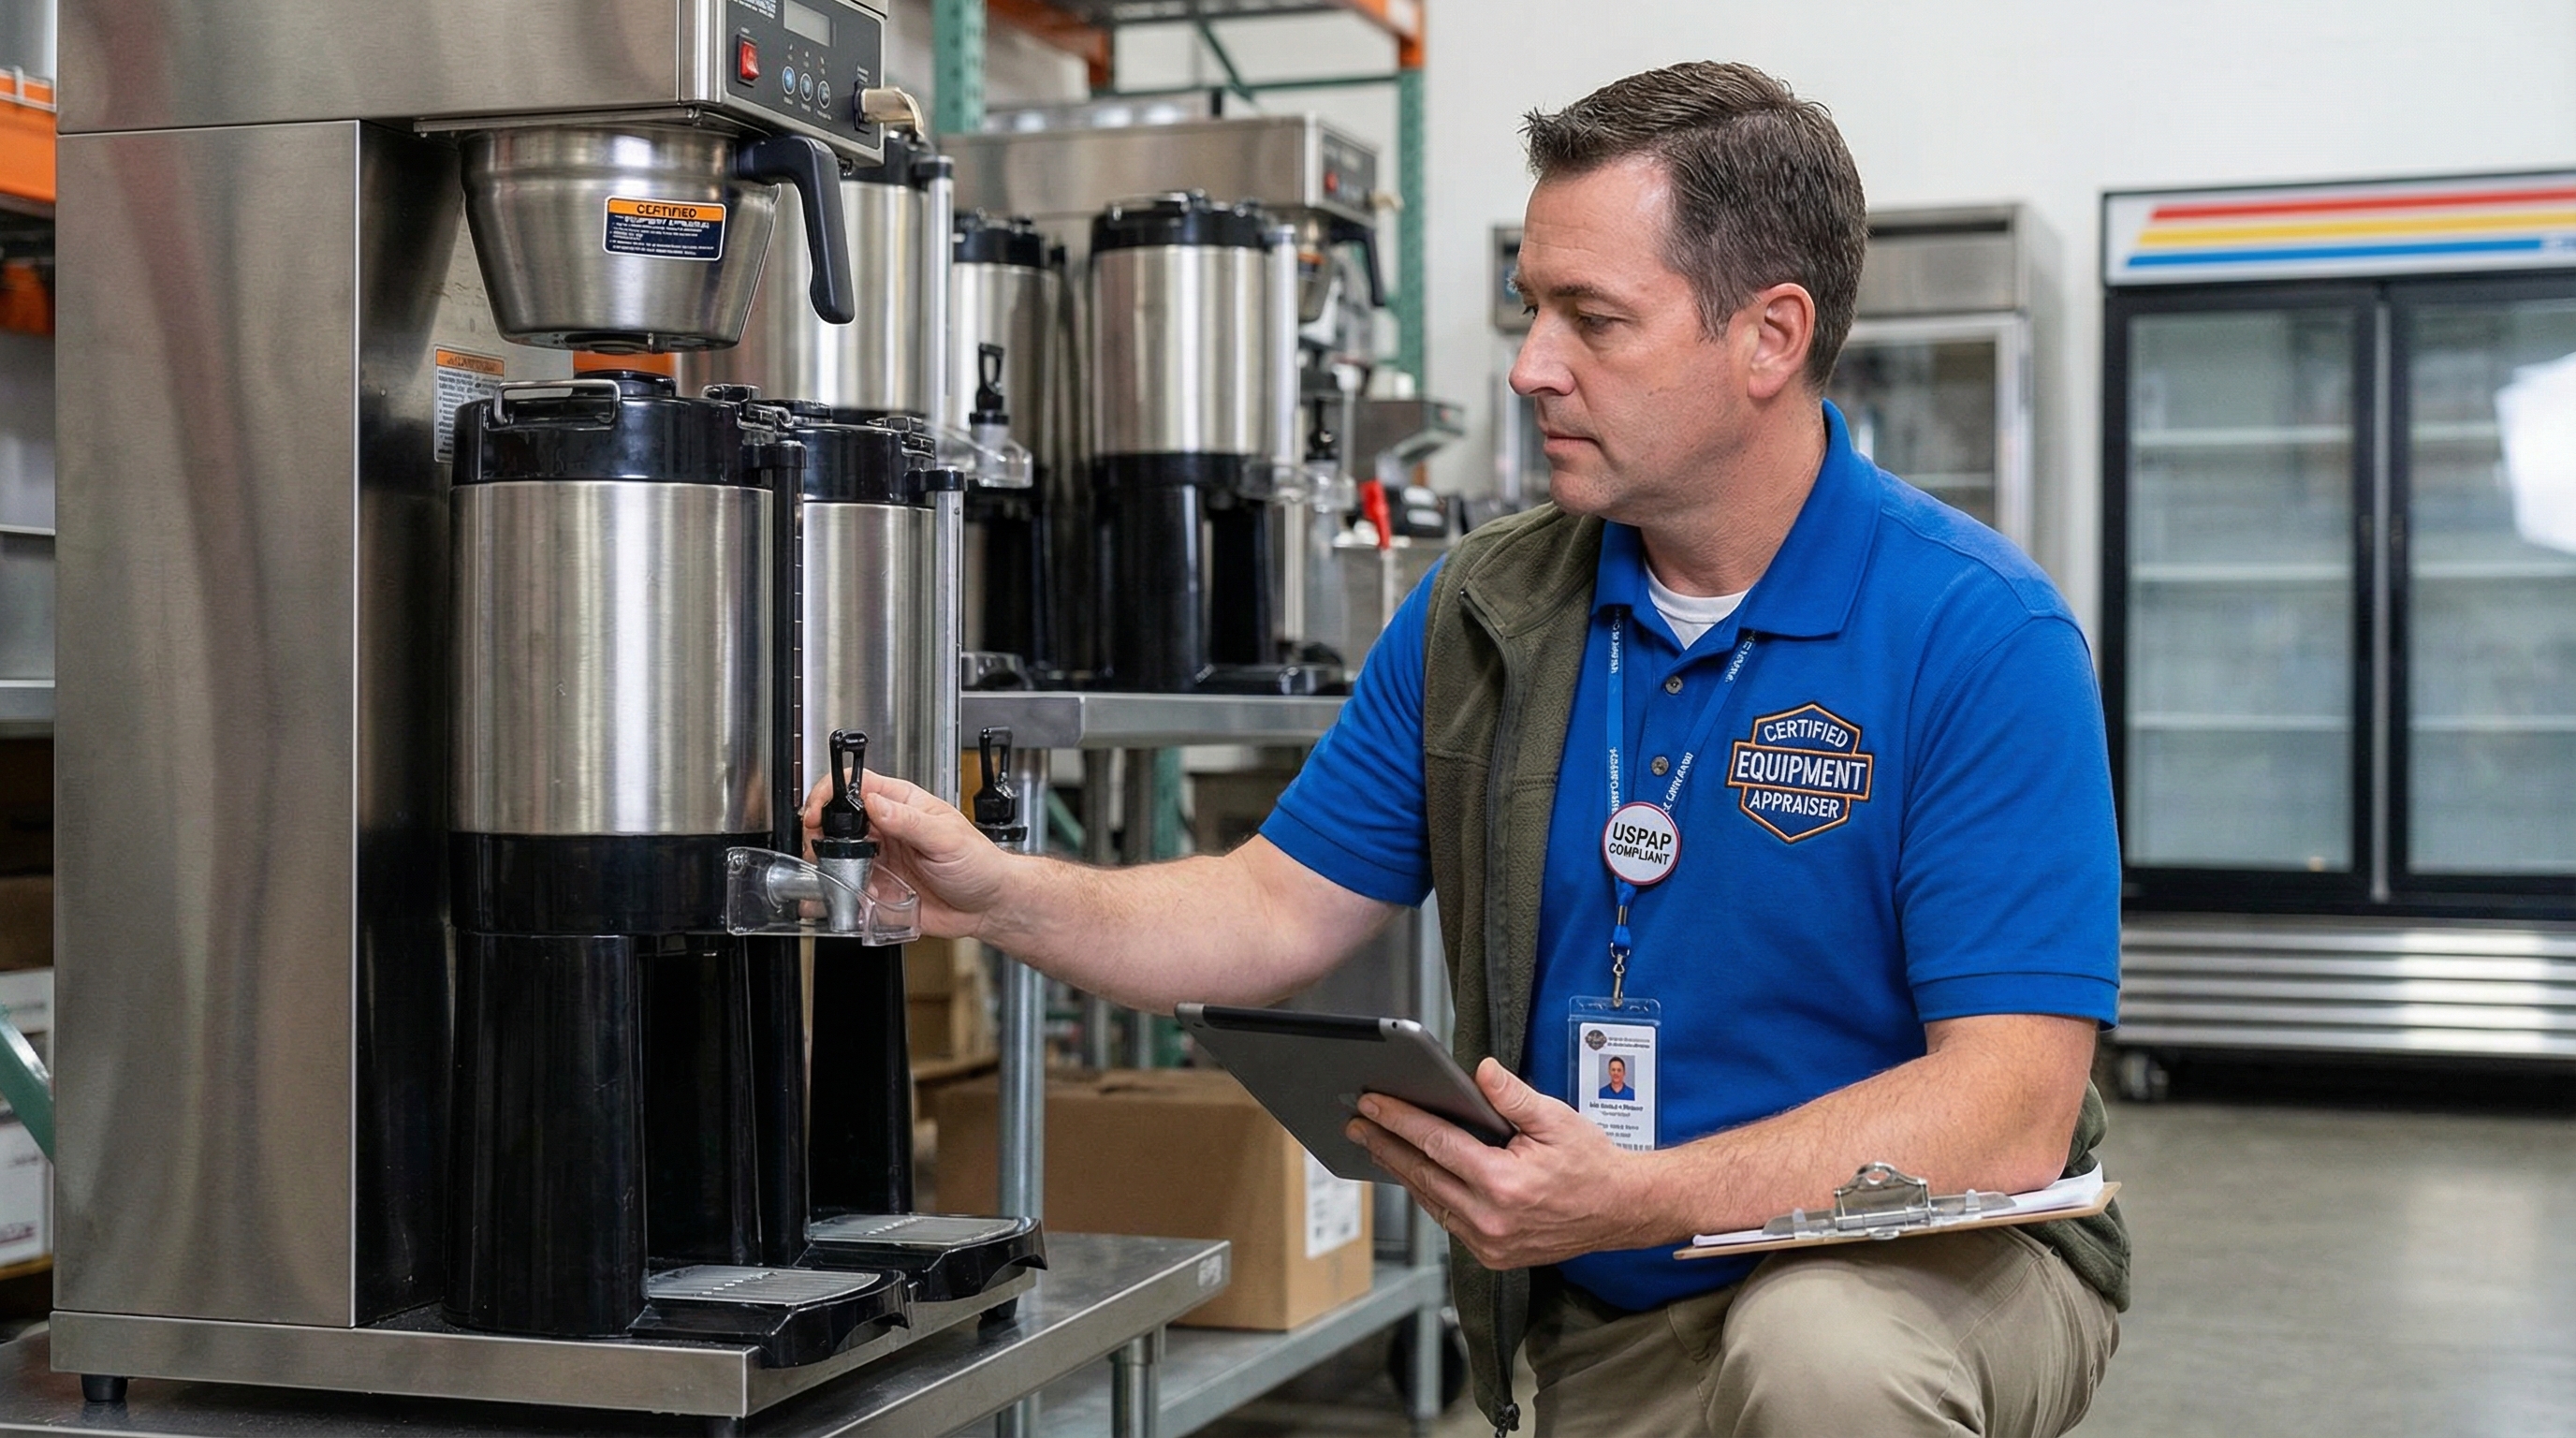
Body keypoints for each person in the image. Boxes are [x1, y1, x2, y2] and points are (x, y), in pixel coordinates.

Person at [823, 61, 2125, 1438]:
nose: (1529, 367)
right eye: (1530, 309)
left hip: (1925, 1256)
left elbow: (2007, 1109)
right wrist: (999, 894)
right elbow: (1269, 909)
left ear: (1770, 337)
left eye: (1593, 319)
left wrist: (1640, 1192)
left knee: (1820, 1359)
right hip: (1618, 1297)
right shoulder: (1490, 609)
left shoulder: (1977, 632)